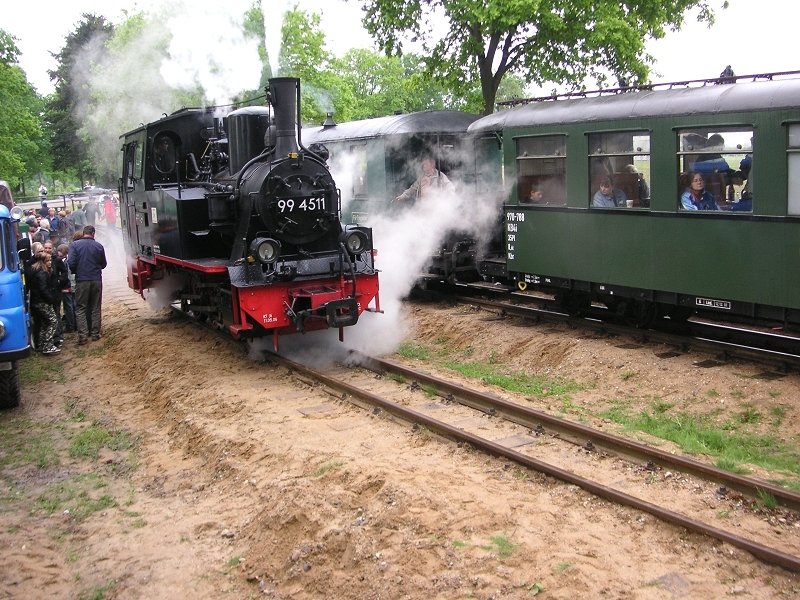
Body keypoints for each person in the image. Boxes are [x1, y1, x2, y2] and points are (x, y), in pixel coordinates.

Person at [68, 225, 107, 344]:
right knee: (95, 307)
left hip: (82, 280)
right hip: (96, 279)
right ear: (93, 233)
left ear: (84, 233)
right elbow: (104, 264)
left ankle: (83, 336)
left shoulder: (75, 245)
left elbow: (71, 262)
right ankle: (95, 333)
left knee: (80, 308)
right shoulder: (99, 246)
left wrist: (77, 271)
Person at [28, 250, 61, 355]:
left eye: (50, 260)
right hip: (42, 302)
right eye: (48, 261)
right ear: (43, 262)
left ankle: (42, 344)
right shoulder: (42, 273)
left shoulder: (35, 271)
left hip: (37, 301)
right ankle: (48, 345)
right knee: (53, 321)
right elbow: (43, 289)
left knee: (44, 323)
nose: (50, 262)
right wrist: (51, 299)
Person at [57, 244, 76, 334]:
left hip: (68, 287)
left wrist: (70, 287)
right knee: (72, 305)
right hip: (71, 286)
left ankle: (70, 325)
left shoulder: (66, 262)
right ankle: (74, 325)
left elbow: (69, 275)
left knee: (69, 307)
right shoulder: (68, 260)